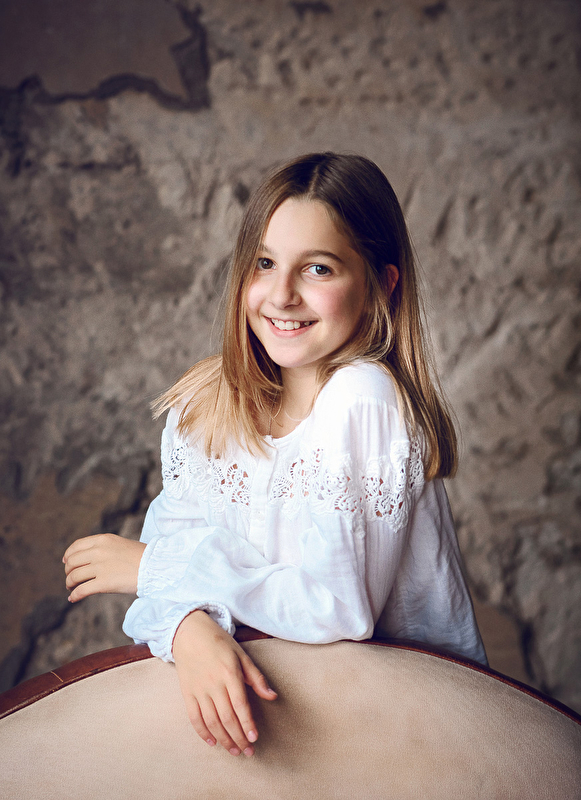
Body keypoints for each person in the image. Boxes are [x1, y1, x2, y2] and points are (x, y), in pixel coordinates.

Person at [63, 152, 486, 759]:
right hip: (291, 723)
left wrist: (158, 569)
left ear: (381, 285)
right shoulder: (208, 403)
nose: (282, 295)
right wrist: (189, 630)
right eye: (264, 263)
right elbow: (159, 587)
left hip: (405, 735)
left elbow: (338, 610)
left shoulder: (362, 398)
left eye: (317, 268)